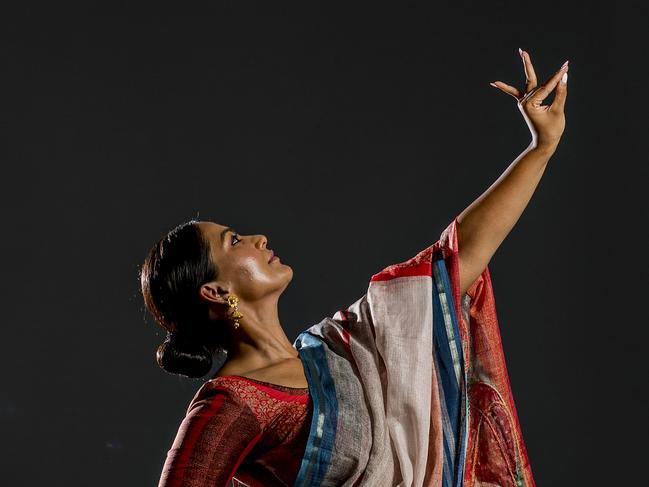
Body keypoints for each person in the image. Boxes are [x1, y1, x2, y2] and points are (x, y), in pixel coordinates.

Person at [141, 49, 569, 487]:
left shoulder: (337, 351)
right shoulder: (233, 402)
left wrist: (541, 148)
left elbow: (447, 265)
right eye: (233, 241)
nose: (258, 238)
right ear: (214, 291)